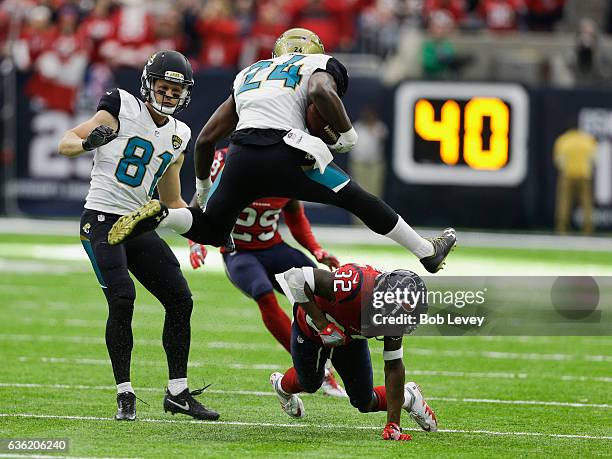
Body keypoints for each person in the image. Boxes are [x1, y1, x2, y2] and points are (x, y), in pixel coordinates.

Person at [107, 28, 456, 276]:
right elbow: (321, 91)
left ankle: (164, 215)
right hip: (289, 152)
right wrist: (347, 135)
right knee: (358, 199)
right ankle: (426, 252)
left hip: (242, 155)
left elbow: (205, 140)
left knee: (211, 231)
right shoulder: (317, 66)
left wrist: (201, 192)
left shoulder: (249, 72)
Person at [58, 50, 219, 422]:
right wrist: (88, 142)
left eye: (176, 90)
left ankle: (177, 392)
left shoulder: (180, 134)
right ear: (149, 84)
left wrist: (195, 235)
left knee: (180, 299)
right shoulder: (120, 104)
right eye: (163, 87)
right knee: (123, 297)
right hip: (100, 218)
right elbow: (66, 141)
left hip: (138, 222)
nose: (168, 95)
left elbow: (173, 200)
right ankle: (124, 392)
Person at [188, 147, 346, 397]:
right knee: (264, 293)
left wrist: (316, 249)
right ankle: (315, 370)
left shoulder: (287, 166)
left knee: (320, 289)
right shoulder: (227, 161)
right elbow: (198, 203)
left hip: (272, 246)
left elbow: (295, 216)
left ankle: (326, 365)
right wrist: (195, 241)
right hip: (238, 251)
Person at [269, 263, 437, 441]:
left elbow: (394, 365)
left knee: (364, 401)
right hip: (310, 332)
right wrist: (322, 324)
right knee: (309, 383)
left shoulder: (394, 319)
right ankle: (281, 387)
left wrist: (393, 424)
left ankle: (408, 397)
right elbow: (294, 277)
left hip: (348, 339)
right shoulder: (354, 284)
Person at [553, 123, 598, 234]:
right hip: (584, 175)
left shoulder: (563, 140)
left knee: (564, 203)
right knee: (586, 204)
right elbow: (593, 159)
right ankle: (588, 229)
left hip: (567, 175)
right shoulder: (587, 140)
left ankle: (562, 229)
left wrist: (565, 169)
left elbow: (559, 160)